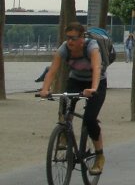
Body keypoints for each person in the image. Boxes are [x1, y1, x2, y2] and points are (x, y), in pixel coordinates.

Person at [38, 22, 108, 175]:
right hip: (76, 80)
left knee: (89, 119)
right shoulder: (64, 49)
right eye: (68, 38)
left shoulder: (92, 47)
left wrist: (93, 88)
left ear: (82, 38)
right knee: (65, 106)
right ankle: (64, 132)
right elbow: (52, 71)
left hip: (97, 82)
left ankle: (99, 156)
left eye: (73, 38)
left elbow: (97, 68)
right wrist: (45, 89)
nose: (70, 41)